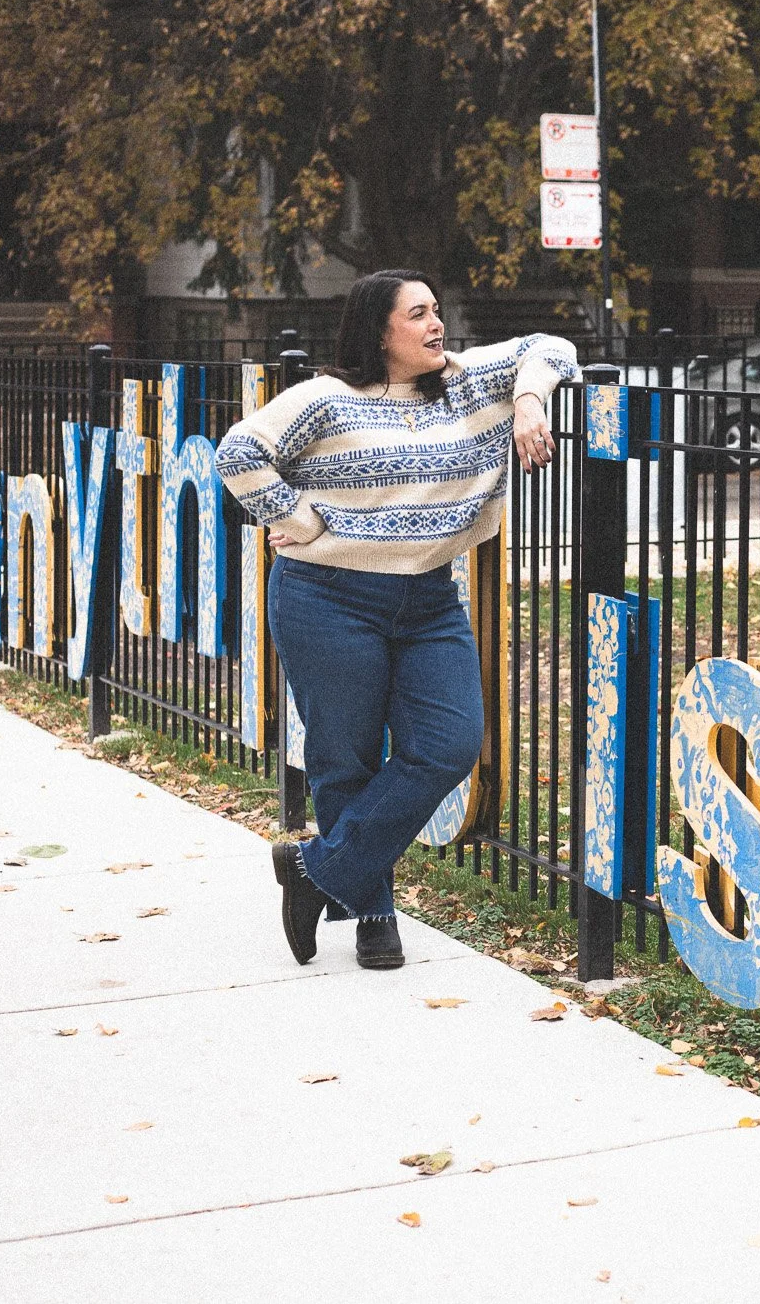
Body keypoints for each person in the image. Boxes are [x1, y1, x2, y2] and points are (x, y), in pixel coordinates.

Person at [217, 269, 575, 969]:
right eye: (419, 314)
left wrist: (529, 398)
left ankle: (317, 869)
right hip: (328, 596)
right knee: (344, 757)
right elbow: (238, 452)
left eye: (437, 309)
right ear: (380, 330)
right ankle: (375, 914)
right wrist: (298, 517)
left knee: (448, 741)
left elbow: (551, 343)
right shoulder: (325, 399)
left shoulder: (470, 381)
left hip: (428, 600)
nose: (436, 324)